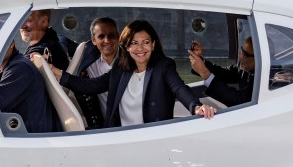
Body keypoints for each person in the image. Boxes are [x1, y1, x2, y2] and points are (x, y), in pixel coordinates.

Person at [51, 19, 216, 127]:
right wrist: (55, 73)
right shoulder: (120, 69)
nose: (140, 49)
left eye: (145, 42)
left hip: (152, 138)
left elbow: (179, 88)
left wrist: (196, 107)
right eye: (134, 43)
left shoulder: (163, 67)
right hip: (122, 138)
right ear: (127, 47)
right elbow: (91, 86)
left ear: (153, 44)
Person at [69, 17, 119, 128]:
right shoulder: (88, 58)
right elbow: (64, 41)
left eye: (111, 35)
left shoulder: (130, 60)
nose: (107, 40)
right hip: (105, 127)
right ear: (93, 41)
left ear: (118, 37)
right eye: (101, 36)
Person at [187, 37, 255, 107]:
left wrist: (205, 74)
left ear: (258, 57)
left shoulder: (262, 79)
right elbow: (224, 73)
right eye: (241, 50)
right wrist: (200, 60)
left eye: (245, 54)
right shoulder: (245, 67)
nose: (240, 56)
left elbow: (239, 101)